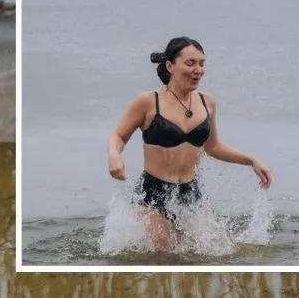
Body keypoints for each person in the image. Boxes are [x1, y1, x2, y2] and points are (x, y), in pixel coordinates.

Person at [107, 36, 272, 251]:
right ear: (170, 66)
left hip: (190, 192)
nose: (198, 70)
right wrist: (114, 155)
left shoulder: (207, 102)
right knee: (163, 250)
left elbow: (213, 147)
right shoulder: (148, 102)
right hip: (152, 193)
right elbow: (119, 136)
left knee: (214, 249)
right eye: (190, 63)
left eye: (202, 63)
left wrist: (251, 160)